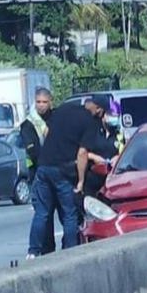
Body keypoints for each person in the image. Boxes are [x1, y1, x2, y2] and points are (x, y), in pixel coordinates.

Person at [27, 100, 100, 259]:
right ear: (96, 109)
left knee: (41, 212)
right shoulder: (89, 122)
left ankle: (32, 252)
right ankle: (70, 252)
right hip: (63, 171)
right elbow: (82, 153)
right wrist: (80, 181)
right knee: (69, 214)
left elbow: (48, 131)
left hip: (44, 167)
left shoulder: (63, 109)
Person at [19, 87, 56, 254]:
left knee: (66, 214)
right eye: (38, 102)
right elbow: (32, 151)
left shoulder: (56, 118)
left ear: (50, 102)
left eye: (44, 102)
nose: (41, 105)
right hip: (38, 174)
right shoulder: (28, 124)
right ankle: (38, 250)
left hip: (58, 172)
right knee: (43, 214)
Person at [82, 97, 126, 196]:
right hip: (92, 177)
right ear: (104, 115)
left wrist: (118, 157)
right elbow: (82, 151)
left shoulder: (118, 134)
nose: (114, 118)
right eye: (111, 115)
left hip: (111, 179)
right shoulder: (93, 131)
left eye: (116, 116)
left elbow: (123, 150)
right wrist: (94, 157)